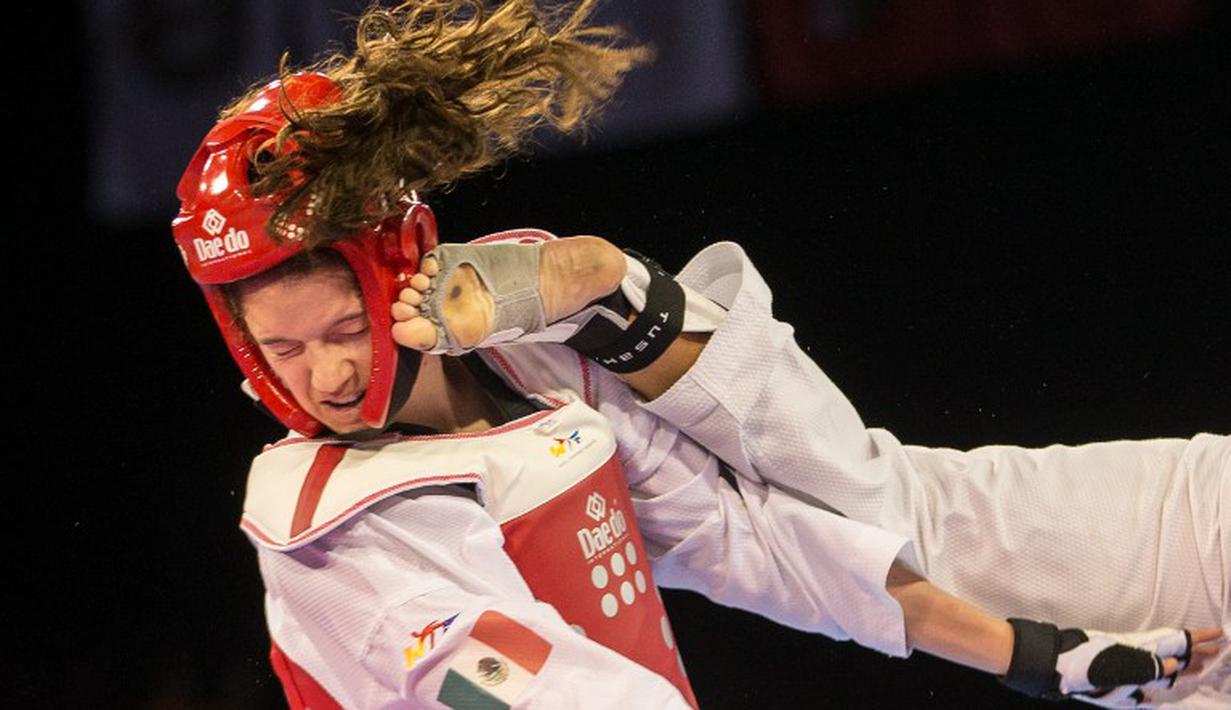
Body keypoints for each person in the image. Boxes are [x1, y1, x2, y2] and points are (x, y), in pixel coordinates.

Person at [171, 1, 1223, 708]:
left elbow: (760, 534)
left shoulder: (533, 367)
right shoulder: (313, 517)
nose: (325, 375)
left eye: (342, 329)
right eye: (283, 347)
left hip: (973, 522)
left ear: (395, 262)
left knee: (875, 490)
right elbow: (500, 679)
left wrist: (1038, 654)